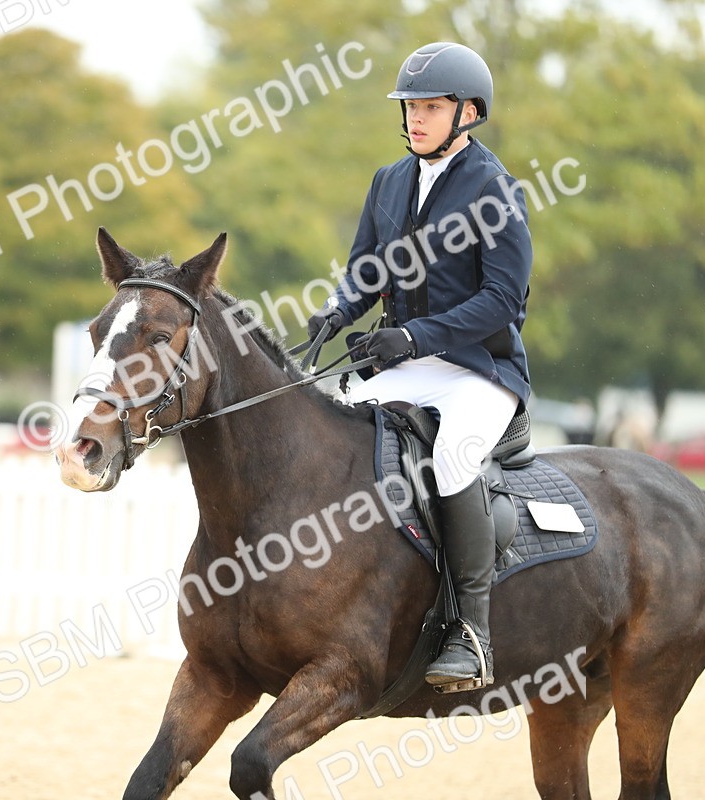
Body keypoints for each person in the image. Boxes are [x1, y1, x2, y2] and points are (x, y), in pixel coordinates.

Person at [307, 42, 533, 690]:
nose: (416, 118)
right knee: (335, 434)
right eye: (410, 106)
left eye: (430, 107)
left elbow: (503, 301)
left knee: (455, 460)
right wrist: (338, 311)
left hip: (479, 372)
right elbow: (365, 270)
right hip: (408, 360)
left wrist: (412, 338)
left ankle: (472, 631)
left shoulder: (497, 190)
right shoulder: (389, 182)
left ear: (467, 113)